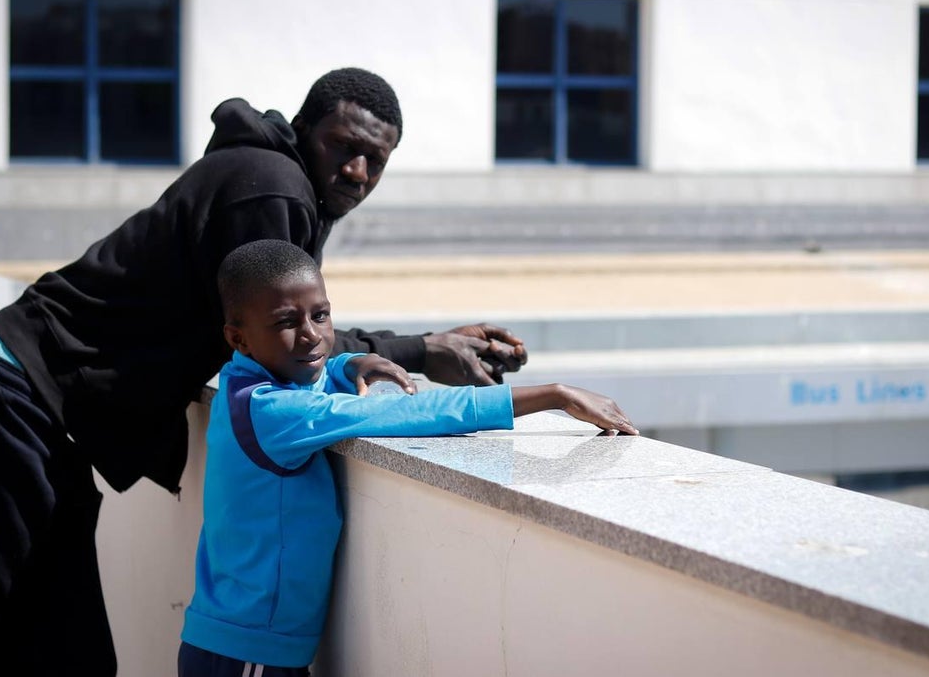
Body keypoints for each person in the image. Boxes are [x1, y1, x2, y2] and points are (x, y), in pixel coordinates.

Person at [0, 68, 528, 677]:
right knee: (8, 647)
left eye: (375, 161)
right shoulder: (272, 188)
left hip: (23, 406)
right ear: (303, 131)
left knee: (59, 652)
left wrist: (422, 347)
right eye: (344, 147)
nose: (357, 172)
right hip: (0, 399)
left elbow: (288, 334)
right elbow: (287, 340)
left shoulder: (271, 178)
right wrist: (421, 351)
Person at [178, 240, 637, 676]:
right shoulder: (270, 411)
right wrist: (550, 394)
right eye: (285, 322)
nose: (312, 335)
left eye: (321, 315)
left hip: (243, 639)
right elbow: (401, 410)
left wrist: (350, 363)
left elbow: (311, 375)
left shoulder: (245, 381)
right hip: (248, 651)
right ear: (238, 338)